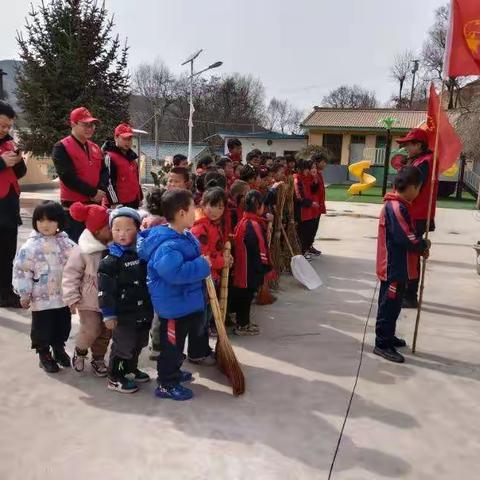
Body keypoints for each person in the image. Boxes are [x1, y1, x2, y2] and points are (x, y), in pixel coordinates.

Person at [137, 188, 214, 401]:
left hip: (183, 303)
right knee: (171, 347)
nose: (196, 212)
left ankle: (175, 372)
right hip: (173, 307)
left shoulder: (183, 235)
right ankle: (166, 383)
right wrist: (201, 265)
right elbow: (173, 273)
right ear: (181, 213)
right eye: (193, 208)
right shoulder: (168, 244)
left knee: (178, 344)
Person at [374, 167, 430, 363]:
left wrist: (420, 245)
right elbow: (405, 236)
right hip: (393, 267)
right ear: (412, 187)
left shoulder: (402, 205)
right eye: (419, 188)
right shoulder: (395, 207)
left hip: (401, 266)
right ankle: (382, 343)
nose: (419, 192)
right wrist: (421, 243)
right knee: (388, 305)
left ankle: (388, 335)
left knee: (395, 304)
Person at [13, 201, 75, 373]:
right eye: (40, 220)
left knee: (62, 324)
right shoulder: (30, 247)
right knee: (42, 327)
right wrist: (24, 293)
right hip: (41, 298)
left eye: (50, 220)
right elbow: (21, 271)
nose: (45, 225)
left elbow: (77, 265)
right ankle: (44, 354)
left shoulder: (66, 243)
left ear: (60, 222)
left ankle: (58, 348)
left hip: (63, 297)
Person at [98, 208, 153, 393]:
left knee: (139, 343)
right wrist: (108, 314)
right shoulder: (110, 260)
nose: (122, 234)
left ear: (137, 229)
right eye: (117, 229)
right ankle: (116, 377)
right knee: (123, 347)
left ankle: (131, 368)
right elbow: (105, 291)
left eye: (128, 229)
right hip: (123, 314)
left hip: (143, 310)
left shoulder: (142, 254)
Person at [62, 202, 112, 377]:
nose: (113, 229)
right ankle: (80, 350)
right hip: (88, 299)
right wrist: (72, 297)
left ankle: (98, 358)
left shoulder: (114, 246)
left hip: (109, 298)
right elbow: (70, 274)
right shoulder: (83, 250)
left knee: (106, 331)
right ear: (97, 230)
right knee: (91, 329)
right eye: (108, 227)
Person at [394, 128, 438, 309]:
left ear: (419, 145)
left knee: (412, 256)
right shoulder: (419, 160)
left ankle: (410, 295)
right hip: (413, 213)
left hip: (416, 214)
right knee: (409, 255)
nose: (405, 148)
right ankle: (407, 292)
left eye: (409, 144)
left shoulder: (424, 162)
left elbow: (410, 186)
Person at [52, 107, 108, 242]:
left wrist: (101, 189)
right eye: (85, 125)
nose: (90, 128)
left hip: (95, 208)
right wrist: (92, 192)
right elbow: (67, 177)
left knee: (95, 249)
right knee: (75, 249)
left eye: (92, 125)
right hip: (73, 209)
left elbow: (104, 171)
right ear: (73, 124)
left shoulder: (95, 147)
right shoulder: (61, 147)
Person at [191, 187, 232, 337]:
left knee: (208, 313)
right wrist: (223, 261)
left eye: (220, 207)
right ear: (203, 204)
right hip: (202, 278)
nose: (216, 210)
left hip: (212, 276)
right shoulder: (200, 227)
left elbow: (217, 247)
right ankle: (197, 351)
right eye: (212, 205)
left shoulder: (215, 224)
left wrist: (225, 257)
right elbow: (204, 256)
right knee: (201, 315)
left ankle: (202, 345)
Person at [230, 190, 272, 336]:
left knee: (245, 296)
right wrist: (265, 266)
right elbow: (260, 248)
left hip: (243, 267)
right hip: (249, 268)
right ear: (258, 205)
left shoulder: (244, 221)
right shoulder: (253, 224)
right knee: (246, 296)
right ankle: (242, 325)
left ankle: (244, 322)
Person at [0, 101, 27, 308]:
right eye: (1, 125)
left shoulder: (9, 142)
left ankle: (5, 293)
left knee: (7, 254)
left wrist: (18, 162)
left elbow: (19, 174)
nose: (5, 130)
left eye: (9, 126)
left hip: (8, 207)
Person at [103, 123, 142, 209]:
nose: (128, 142)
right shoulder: (109, 157)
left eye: (130, 139)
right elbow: (108, 182)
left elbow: (136, 180)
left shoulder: (132, 158)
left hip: (133, 203)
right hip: (118, 205)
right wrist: (114, 203)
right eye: (124, 139)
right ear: (116, 138)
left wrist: (140, 198)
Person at [294, 160, 320, 259]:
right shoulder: (297, 179)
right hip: (301, 211)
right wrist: (311, 203)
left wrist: (315, 178)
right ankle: (301, 253)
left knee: (309, 232)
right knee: (302, 233)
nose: (307, 171)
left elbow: (314, 190)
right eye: (306, 169)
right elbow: (298, 196)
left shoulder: (308, 178)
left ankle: (305, 251)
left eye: (308, 169)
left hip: (309, 211)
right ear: (299, 169)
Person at [308, 154, 327, 256]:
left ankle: (310, 245)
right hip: (313, 205)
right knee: (311, 227)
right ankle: (308, 246)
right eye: (323, 162)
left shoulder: (319, 173)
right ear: (317, 162)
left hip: (318, 205)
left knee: (314, 227)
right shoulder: (313, 174)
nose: (325, 164)